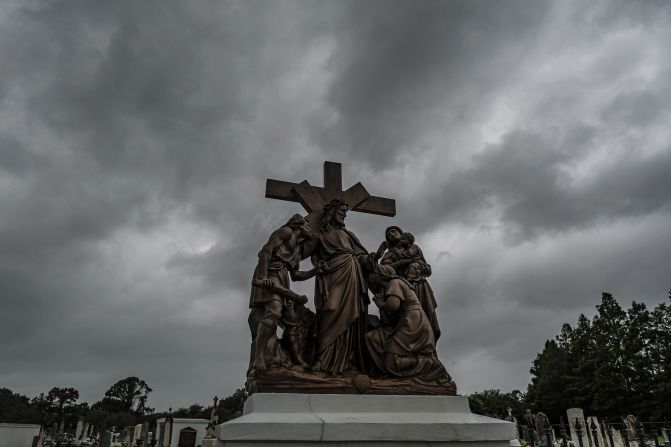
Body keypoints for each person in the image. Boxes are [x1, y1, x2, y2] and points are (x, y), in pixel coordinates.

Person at [248, 214, 326, 371]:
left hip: (283, 280)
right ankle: (259, 357)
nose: (310, 228)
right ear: (299, 224)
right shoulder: (286, 232)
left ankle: (298, 361)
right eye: (307, 225)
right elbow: (265, 251)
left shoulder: (297, 249)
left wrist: (315, 271)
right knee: (274, 312)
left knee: (292, 321)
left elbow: (296, 276)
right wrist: (264, 277)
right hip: (270, 275)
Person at [310, 199, 374, 375]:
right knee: (330, 309)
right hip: (331, 273)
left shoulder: (349, 235)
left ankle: (345, 361)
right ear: (332, 213)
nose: (344, 216)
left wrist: (370, 260)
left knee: (350, 316)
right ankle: (322, 359)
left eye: (345, 213)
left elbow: (361, 255)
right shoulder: (320, 236)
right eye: (341, 212)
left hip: (351, 272)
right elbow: (314, 257)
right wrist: (318, 265)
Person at [365, 264, 451, 383]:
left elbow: (393, 305)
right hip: (408, 320)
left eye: (372, 274)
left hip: (412, 320)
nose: (370, 277)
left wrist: (380, 304)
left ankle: (430, 364)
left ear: (381, 274)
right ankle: (396, 371)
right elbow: (388, 321)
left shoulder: (394, 282)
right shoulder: (388, 289)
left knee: (391, 358)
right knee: (376, 341)